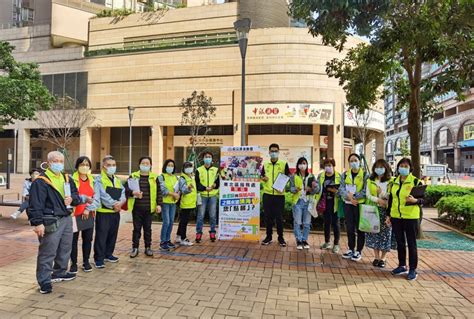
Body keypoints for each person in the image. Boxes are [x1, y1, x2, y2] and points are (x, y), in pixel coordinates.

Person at [27, 151, 82, 294]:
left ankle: (60, 272)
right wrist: (37, 223)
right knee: (47, 252)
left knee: (65, 247)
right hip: (51, 220)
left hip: (67, 218)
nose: (59, 164)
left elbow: (76, 195)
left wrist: (73, 200)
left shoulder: (66, 178)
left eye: (61, 161)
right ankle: (44, 280)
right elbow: (35, 204)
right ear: (49, 162)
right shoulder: (41, 181)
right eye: (55, 161)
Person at [388, 157, 424, 281]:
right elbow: (391, 200)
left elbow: (424, 199)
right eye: (401, 166)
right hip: (396, 217)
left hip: (411, 217)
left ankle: (413, 269)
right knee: (400, 242)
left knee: (411, 243)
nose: (403, 168)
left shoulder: (416, 182)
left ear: (410, 168)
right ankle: (402, 265)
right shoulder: (394, 182)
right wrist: (389, 215)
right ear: (397, 168)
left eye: (406, 166)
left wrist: (415, 201)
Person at [93, 155, 126, 269]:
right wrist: (114, 204)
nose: (112, 167)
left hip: (115, 212)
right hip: (104, 212)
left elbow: (123, 193)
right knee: (101, 236)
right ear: (103, 166)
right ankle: (99, 258)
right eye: (109, 165)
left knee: (112, 234)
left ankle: (108, 254)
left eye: (114, 165)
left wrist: (120, 203)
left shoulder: (117, 179)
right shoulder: (99, 179)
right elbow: (103, 195)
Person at [126, 156, 163, 258]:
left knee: (148, 229)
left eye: (147, 163)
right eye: (143, 163)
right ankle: (135, 248)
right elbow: (126, 190)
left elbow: (159, 192)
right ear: (139, 164)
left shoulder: (155, 177)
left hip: (149, 208)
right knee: (136, 229)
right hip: (137, 208)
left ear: (151, 165)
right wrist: (133, 193)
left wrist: (159, 204)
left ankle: (148, 247)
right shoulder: (133, 176)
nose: (145, 165)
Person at [70, 156, 99, 274]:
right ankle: (73, 263)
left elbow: (97, 198)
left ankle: (86, 261)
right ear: (77, 166)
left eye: (87, 164)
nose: (85, 167)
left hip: (89, 214)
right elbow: (71, 197)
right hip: (74, 215)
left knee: (88, 239)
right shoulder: (71, 179)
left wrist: (88, 209)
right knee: (73, 241)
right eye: (82, 164)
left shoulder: (94, 180)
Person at [340, 153, 368, 262]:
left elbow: (366, 191)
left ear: (360, 161)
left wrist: (355, 196)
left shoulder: (365, 175)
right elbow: (341, 189)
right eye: (351, 161)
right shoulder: (345, 174)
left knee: (360, 228)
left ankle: (359, 250)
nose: (353, 162)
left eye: (355, 160)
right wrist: (349, 197)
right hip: (348, 204)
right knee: (350, 228)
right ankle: (351, 248)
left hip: (359, 205)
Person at [365, 159, 393, 268]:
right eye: (377, 167)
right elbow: (367, 195)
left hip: (386, 211)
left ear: (386, 168)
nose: (379, 169)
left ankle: (383, 258)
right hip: (374, 209)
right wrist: (378, 200)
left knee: (386, 234)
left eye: (382, 167)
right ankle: (376, 257)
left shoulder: (390, 181)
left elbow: (391, 195)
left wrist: (382, 194)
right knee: (374, 233)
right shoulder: (370, 180)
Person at [261, 143, 290, 247]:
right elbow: (261, 176)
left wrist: (283, 184)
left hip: (279, 195)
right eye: (272, 151)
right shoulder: (265, 164)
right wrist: (263, 179)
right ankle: (268, 237)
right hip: (267, 194)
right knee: (268, 217)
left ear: (278, 152)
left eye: (275, 151)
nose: (273, 153)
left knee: (279, 217)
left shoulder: (283, 164)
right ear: (269, 152)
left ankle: (280, 237)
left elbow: (288, 177)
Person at [315, 158, 342, 254]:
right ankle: (327, 242)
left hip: (335, 203)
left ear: (333, 166)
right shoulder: (321, 176)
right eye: (326, 165)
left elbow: (342, 192)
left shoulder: (339, 176)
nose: (328, 167)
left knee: (336, 224)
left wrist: (336, 191)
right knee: (326, 223)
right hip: (325, 203)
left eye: (330, 165)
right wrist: (315, 187)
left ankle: (336, 244)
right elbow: (317, 190)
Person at [289, 157, 315, 250]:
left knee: (307, 223)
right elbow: (290, 189)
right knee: (297, 222)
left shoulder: (311, 176)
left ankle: (304, 239)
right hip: (297, 202)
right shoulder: (293, 176)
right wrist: (295, 189)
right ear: (298, 165)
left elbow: (316, 189)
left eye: (304, 163)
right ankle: (299, 240)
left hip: (308, 202)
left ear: (307, 165)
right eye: (301, 163)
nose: (302, 165)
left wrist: (312, 188)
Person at [195, 151, 220, 243]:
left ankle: (212, 232)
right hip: (202, 196)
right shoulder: (198, 170)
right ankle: (198, 233)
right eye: (206, 157)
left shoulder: (216, 170)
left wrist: (214, 186)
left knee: (213, 215)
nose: (208, 158)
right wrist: (205, 188)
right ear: (203, 158)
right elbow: (197, 183)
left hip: (213, 195)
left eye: (209, 157)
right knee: (200, 216)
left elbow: (218, 182)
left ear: (212, 159)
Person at [159, 159, 180, 251]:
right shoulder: (161, 177)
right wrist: (173, 194)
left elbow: (177, 189)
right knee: (166, 222)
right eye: (169, 165)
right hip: (165, 202)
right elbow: (163, 190)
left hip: (173, 203)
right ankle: (162, 241)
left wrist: (177, 195)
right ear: (165, 166)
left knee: (171, 222)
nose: (170, 167)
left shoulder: (175, 177)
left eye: (172, 165)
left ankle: (167, 240)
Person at [175, 161, 197, 246]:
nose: (189, 168)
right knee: (184, 221)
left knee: (183, 221)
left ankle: (178, 236)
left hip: (190, 202)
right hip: (185, 203)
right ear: (183, 169)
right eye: (187, 167)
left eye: (190, 167)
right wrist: (188, 188)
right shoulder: (182, 178)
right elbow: (183, 190)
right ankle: (183, 238)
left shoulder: (191, 177)